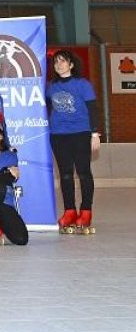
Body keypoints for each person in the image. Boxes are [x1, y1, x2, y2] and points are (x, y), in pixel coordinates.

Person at [48, 49, 100, 233]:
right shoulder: (51, 87)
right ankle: (69, 210)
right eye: (56, 62)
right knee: (65, 174)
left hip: (80, 133)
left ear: (71, 64)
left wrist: (95, 134)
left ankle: (86, 211)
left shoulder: (82, 84)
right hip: (58, 135)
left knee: (83, 172)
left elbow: (93, 109)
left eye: (63, 61)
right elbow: (46, 108)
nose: (59, 65)